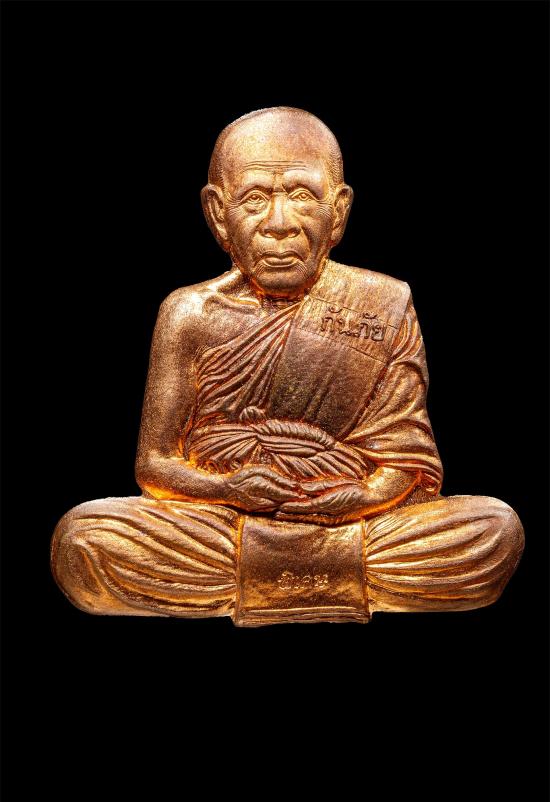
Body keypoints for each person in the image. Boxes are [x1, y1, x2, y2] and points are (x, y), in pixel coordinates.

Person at [51, 107, 524, 624]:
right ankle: (335, 575)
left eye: (301, 195)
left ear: (337, 211)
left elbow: (404, 461)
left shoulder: (381, 304)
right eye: (255, 199)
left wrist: (363, 496)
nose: (280, 224)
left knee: (494, 531)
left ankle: (257, 578)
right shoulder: (189, 315)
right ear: (218, 213)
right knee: (85, 541)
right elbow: (156, 464)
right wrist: (229, 490)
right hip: (223, 522)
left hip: (347, 519)